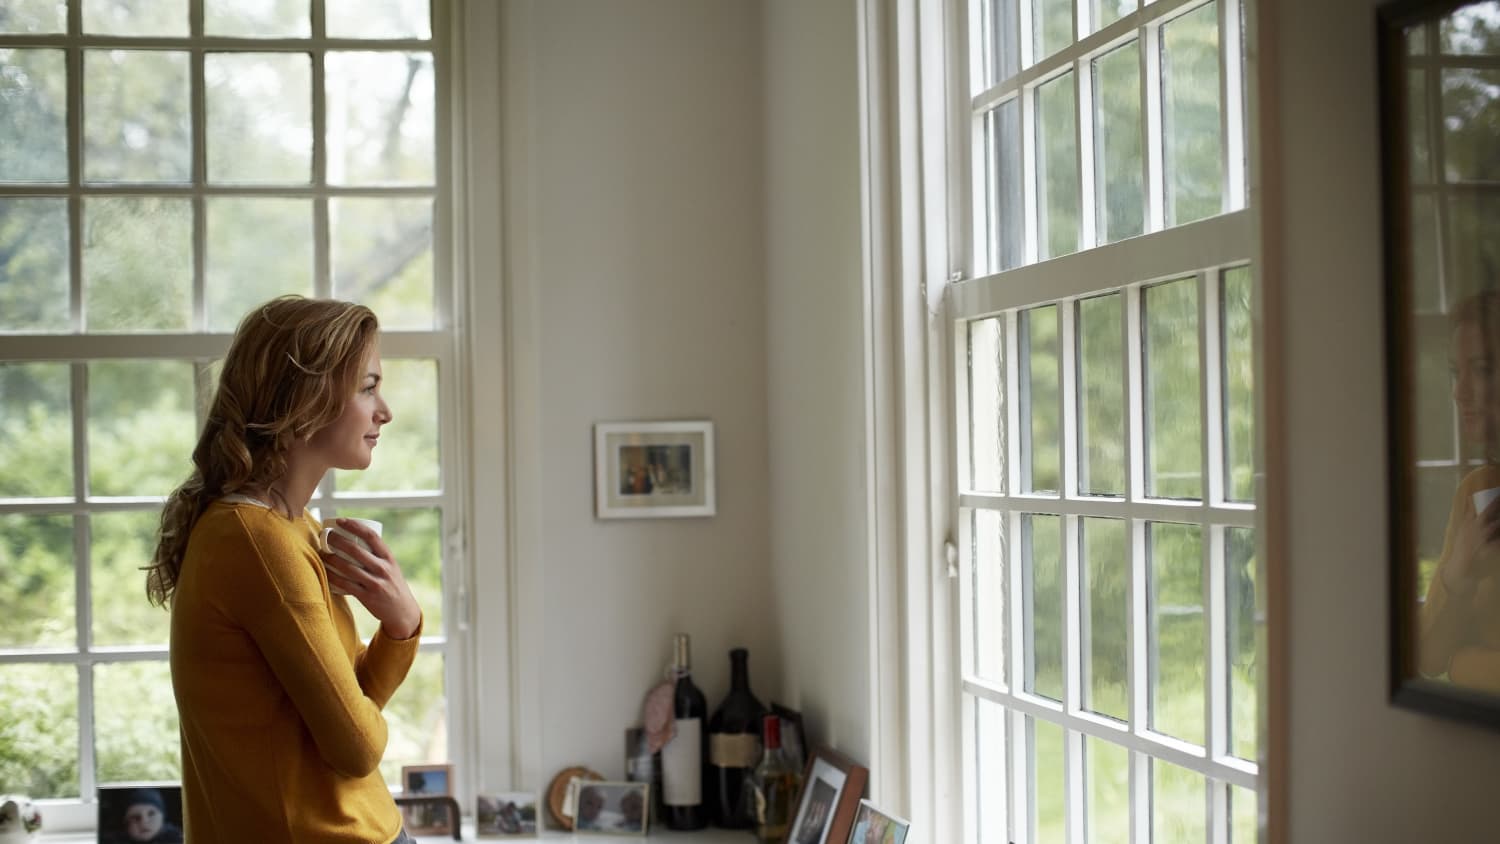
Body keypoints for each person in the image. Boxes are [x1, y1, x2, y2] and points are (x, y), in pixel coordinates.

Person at [146, 295, 424, 844]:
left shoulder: (287, 530)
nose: (384, 411)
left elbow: (336, 713)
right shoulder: (258, 542)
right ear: (307, 398)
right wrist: (403, 624)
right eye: (368, 387)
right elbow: (357, 747)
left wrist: (400, 627)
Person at [1421, 290, 1500, 691]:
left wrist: (1464, 665)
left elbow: (1448, 664)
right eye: (1456, 372)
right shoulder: (1477, 491)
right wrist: (1459, 575)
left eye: (1482, 370)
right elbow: (1430, 657)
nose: (1459, 391)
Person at [104, 788, 183, 844]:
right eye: (135, 817)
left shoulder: (179, 839)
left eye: (151, 814)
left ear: (163, 817)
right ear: (125, 823)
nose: (144, 822)